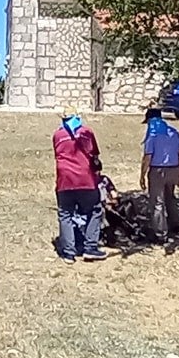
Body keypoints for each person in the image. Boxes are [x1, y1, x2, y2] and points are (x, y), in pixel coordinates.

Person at [52, 109, 105, 261]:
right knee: (94, 211)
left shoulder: (58, 135)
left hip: (64, 180)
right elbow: (94, 155)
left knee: (65, 214)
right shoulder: (87, 132)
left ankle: (69, 252)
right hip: (85, 179)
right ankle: (90, 247)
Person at [140, 107, 179, 244]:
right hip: (173, 168)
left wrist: (142, 175)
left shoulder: (152, 134)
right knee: (170, 197)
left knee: (157, 202)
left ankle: (160, 234)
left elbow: (148, 156)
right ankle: (175, 225)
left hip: (157, 171)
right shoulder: (173, 132)